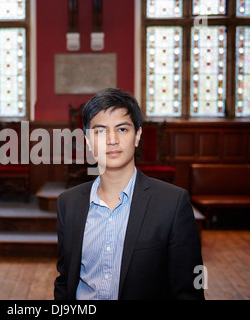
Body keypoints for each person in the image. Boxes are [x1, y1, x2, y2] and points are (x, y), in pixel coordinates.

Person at [54, 88, 204, 300]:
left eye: (122, 129)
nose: (112, 140)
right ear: (87, 141)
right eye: (101, 131)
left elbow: (188, 291)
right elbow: (64, 280)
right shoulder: (68, 204)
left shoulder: (172, 204)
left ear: (137, 136)